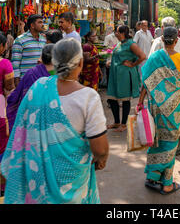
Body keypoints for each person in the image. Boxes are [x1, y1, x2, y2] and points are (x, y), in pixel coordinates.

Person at [1, 38, 109, 203]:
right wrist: (101, 159)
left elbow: (21, 131)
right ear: (80, 63)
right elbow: (100, 149)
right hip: (73, 185)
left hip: (36, 184)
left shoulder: (38, 87)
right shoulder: (88, 97)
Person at [137, 26, 180, 195]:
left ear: (161, 40)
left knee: (158, 138)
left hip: (156, 104)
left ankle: (154, 175)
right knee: (171, 141)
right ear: (177, 41)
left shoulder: (154, 57)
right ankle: (167, 183)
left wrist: (140, 102)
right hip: (175, 105)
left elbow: (146, 82)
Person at [6, 44, 55, 132]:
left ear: (42, 58)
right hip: (51, 121)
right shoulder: (61, 76)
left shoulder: (32, 73)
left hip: (30, 118)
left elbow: (18, 94)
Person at [107, 25, 146, 132]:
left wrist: (133, 64)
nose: (115, 33)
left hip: (125, 75)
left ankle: (123, 124)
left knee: (125, 99)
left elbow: (143, 56)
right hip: (115, 74)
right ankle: (116, 122)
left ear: (122, 33)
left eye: (117, 31)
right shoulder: (120, 43)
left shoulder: (131, 44)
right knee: (112, 98)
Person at [11, 14, 46, 85]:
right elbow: (15, 63)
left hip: (40, 80)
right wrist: (17, 82)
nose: (42, 24)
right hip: (25, 80)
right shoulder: (20, 40)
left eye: (42, 22)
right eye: (39, 22)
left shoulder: (44, 39)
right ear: (32, 25)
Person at [0, 34, 14, 196]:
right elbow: (9, 89)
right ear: (2, 46)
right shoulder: (5, 64)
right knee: (2, 144)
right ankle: (2, 187)